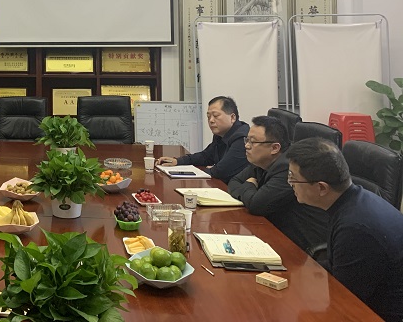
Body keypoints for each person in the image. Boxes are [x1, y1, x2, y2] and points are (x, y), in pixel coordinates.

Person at [286, 138, 403, 322]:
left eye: (293, 178)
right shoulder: (355, 200)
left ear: (321, 188)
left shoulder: (355, 229)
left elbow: (345, 304)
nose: (290, 183)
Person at [227, 116, 327, 251]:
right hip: (275, 231)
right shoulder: (261, 161)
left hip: (300, 246)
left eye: (253, 142)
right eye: (247, 140)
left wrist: (248, 185)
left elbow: (257, 205)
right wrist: (250, 190)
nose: (247, 145)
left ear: (274, 148)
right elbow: (234, 181)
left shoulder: (288, 168)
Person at [156, 96, 249, 181]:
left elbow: (221, 171)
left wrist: (209, 170)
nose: (211, 120)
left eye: (216, 116)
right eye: (208, 117)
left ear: (232, 117)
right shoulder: (220, 135)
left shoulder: (242, 139)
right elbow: (205, 156)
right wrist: (177, 161)